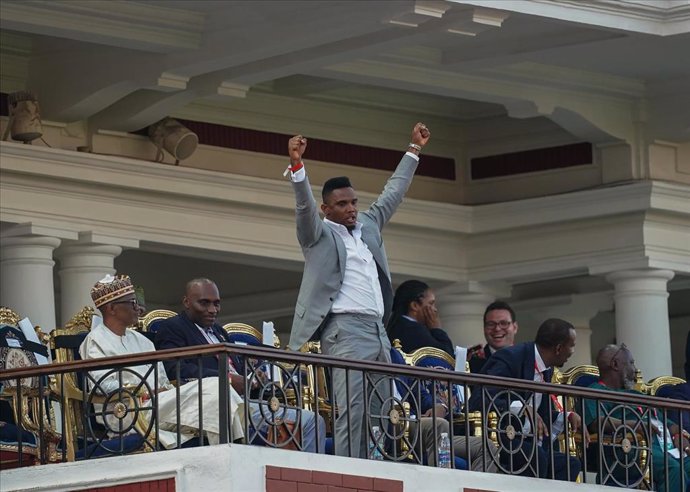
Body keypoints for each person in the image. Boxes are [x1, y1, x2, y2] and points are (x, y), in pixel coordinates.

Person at [285, 122, 431, 458]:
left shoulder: (367, 224)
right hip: (345, 331)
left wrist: (414, 150)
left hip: (377, 330)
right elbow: (304, 208)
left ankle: (375, 470)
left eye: (353, 202)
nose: (351, 208)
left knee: (381, 412)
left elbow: (393, 193)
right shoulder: (318, 234)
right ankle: (351, 476)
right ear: (328, 209)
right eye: (343, 204)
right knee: (354, 409)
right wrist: (297, 167)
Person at [154, 278, 326, 453]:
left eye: (216, 304)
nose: (212, 310)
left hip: (245, 402)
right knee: (309, 421)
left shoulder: (219, 331)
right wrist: (227, 379)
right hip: (213, 405)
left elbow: (235, 369)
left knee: (314, 420)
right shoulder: (173, 328)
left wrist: (253, 377)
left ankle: (309, 478)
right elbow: (175, 369)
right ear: (187, 302)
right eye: (204, 303)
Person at [79, 274, 245, 448]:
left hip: (157, 404)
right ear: (112, 308)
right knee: (215, 387)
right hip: (126, 411)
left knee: (217, 389)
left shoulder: (142, 341)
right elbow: (102, 386)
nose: (139, 309)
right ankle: (230, 448)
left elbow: (164, 381)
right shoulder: (95, 340)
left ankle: (226, 450)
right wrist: (144, 390)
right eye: (132, 303)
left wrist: (162, 390)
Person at [468, 318, 585, 481]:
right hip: (501, 437)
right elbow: (480, 398)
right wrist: (521, 407)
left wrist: (566, 416)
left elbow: (540, 417)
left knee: (569, 464)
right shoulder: (510, 357)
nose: (573, 351)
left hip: (527, 442)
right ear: (558, 348)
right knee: (536, 457)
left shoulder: (547, 368)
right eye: (572, 345)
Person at [584, 344, 690, 491]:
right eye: (631, 363)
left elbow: (668, 423)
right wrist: (635, 425)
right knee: (673, 470)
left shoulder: (638, 395)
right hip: (628, 452)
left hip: (664, 448)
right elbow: (596, 423)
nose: (636, 369)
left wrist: (680, 434)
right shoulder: (594, 392)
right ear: (615, 364)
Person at [389, 347, 498, 472]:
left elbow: (416, 389)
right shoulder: (369, 354)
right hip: (390, 423)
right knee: (438, 425)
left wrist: (438, 405)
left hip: (416, 424)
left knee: (487, 448)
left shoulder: (394, 355)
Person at [387, 280, 454, 357]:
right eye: (431, 303)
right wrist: (437, 329)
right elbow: (447, 357)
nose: (435, 309)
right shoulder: (413, 330)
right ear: (415, 305)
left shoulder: (394, 325)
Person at [468, 301, 518, 374]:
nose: (497, 329)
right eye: (491, 324)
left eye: (503, 323)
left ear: (515, 327)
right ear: (484, 328)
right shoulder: (471, 360)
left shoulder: (528, 359)